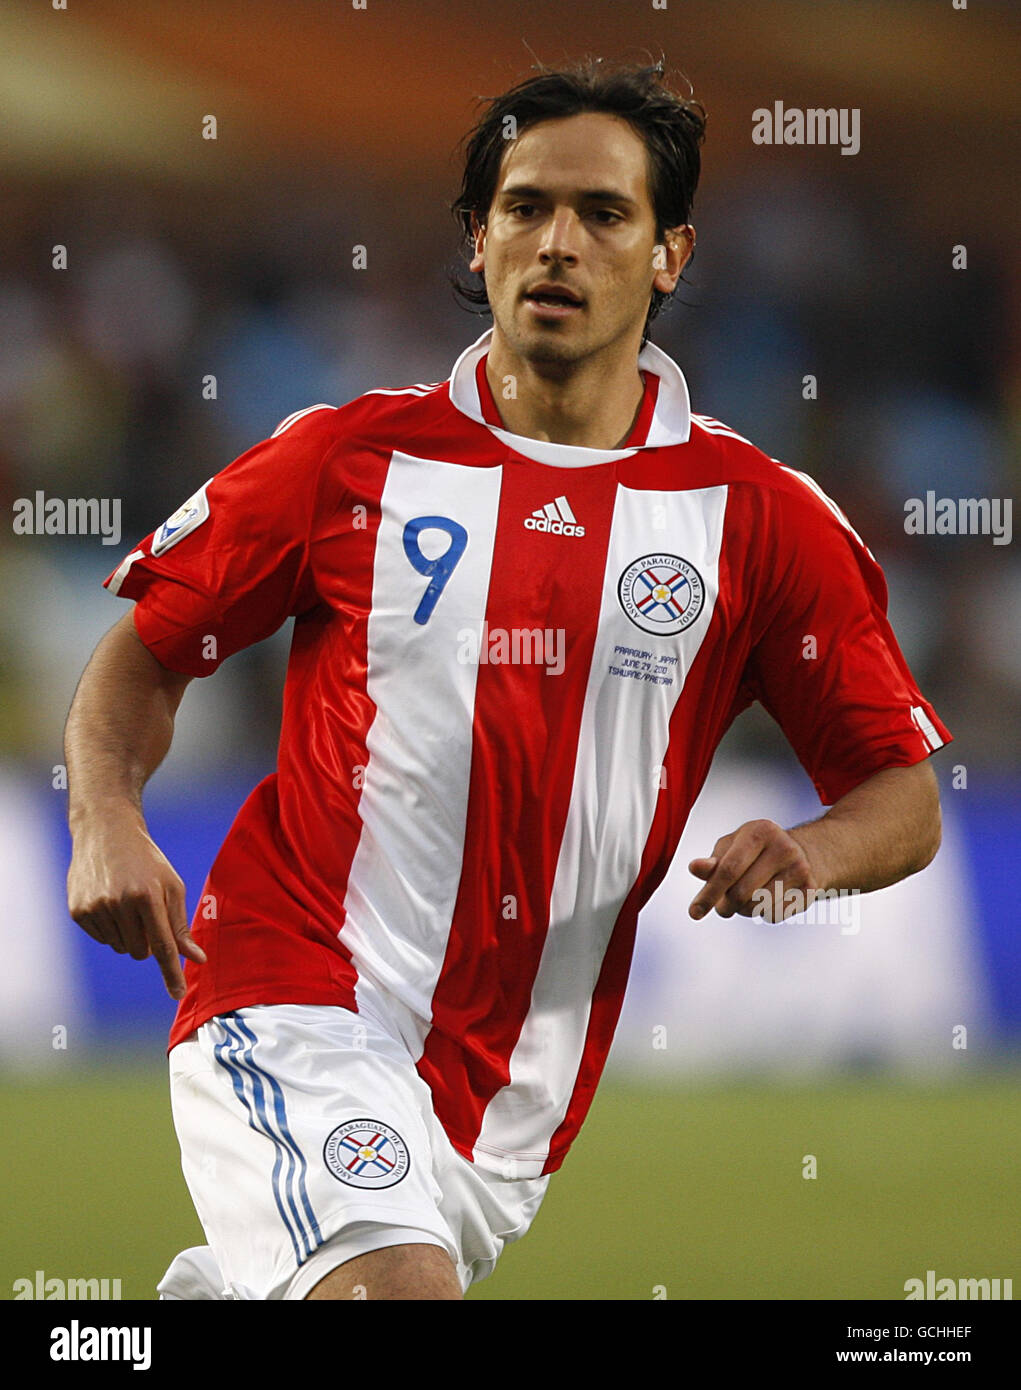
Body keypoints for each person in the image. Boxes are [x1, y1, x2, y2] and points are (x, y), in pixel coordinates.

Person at [64, 58, 951, 1301]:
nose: (558, 243)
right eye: (525, 208)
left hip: (508, 1102)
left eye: (603, 214)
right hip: (293, 984)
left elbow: (899, 793)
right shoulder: (346, 458)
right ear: (478, 241)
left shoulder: (758, 522)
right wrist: (106, 817)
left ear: (670, 254)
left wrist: (812, 852)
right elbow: (143, 657)